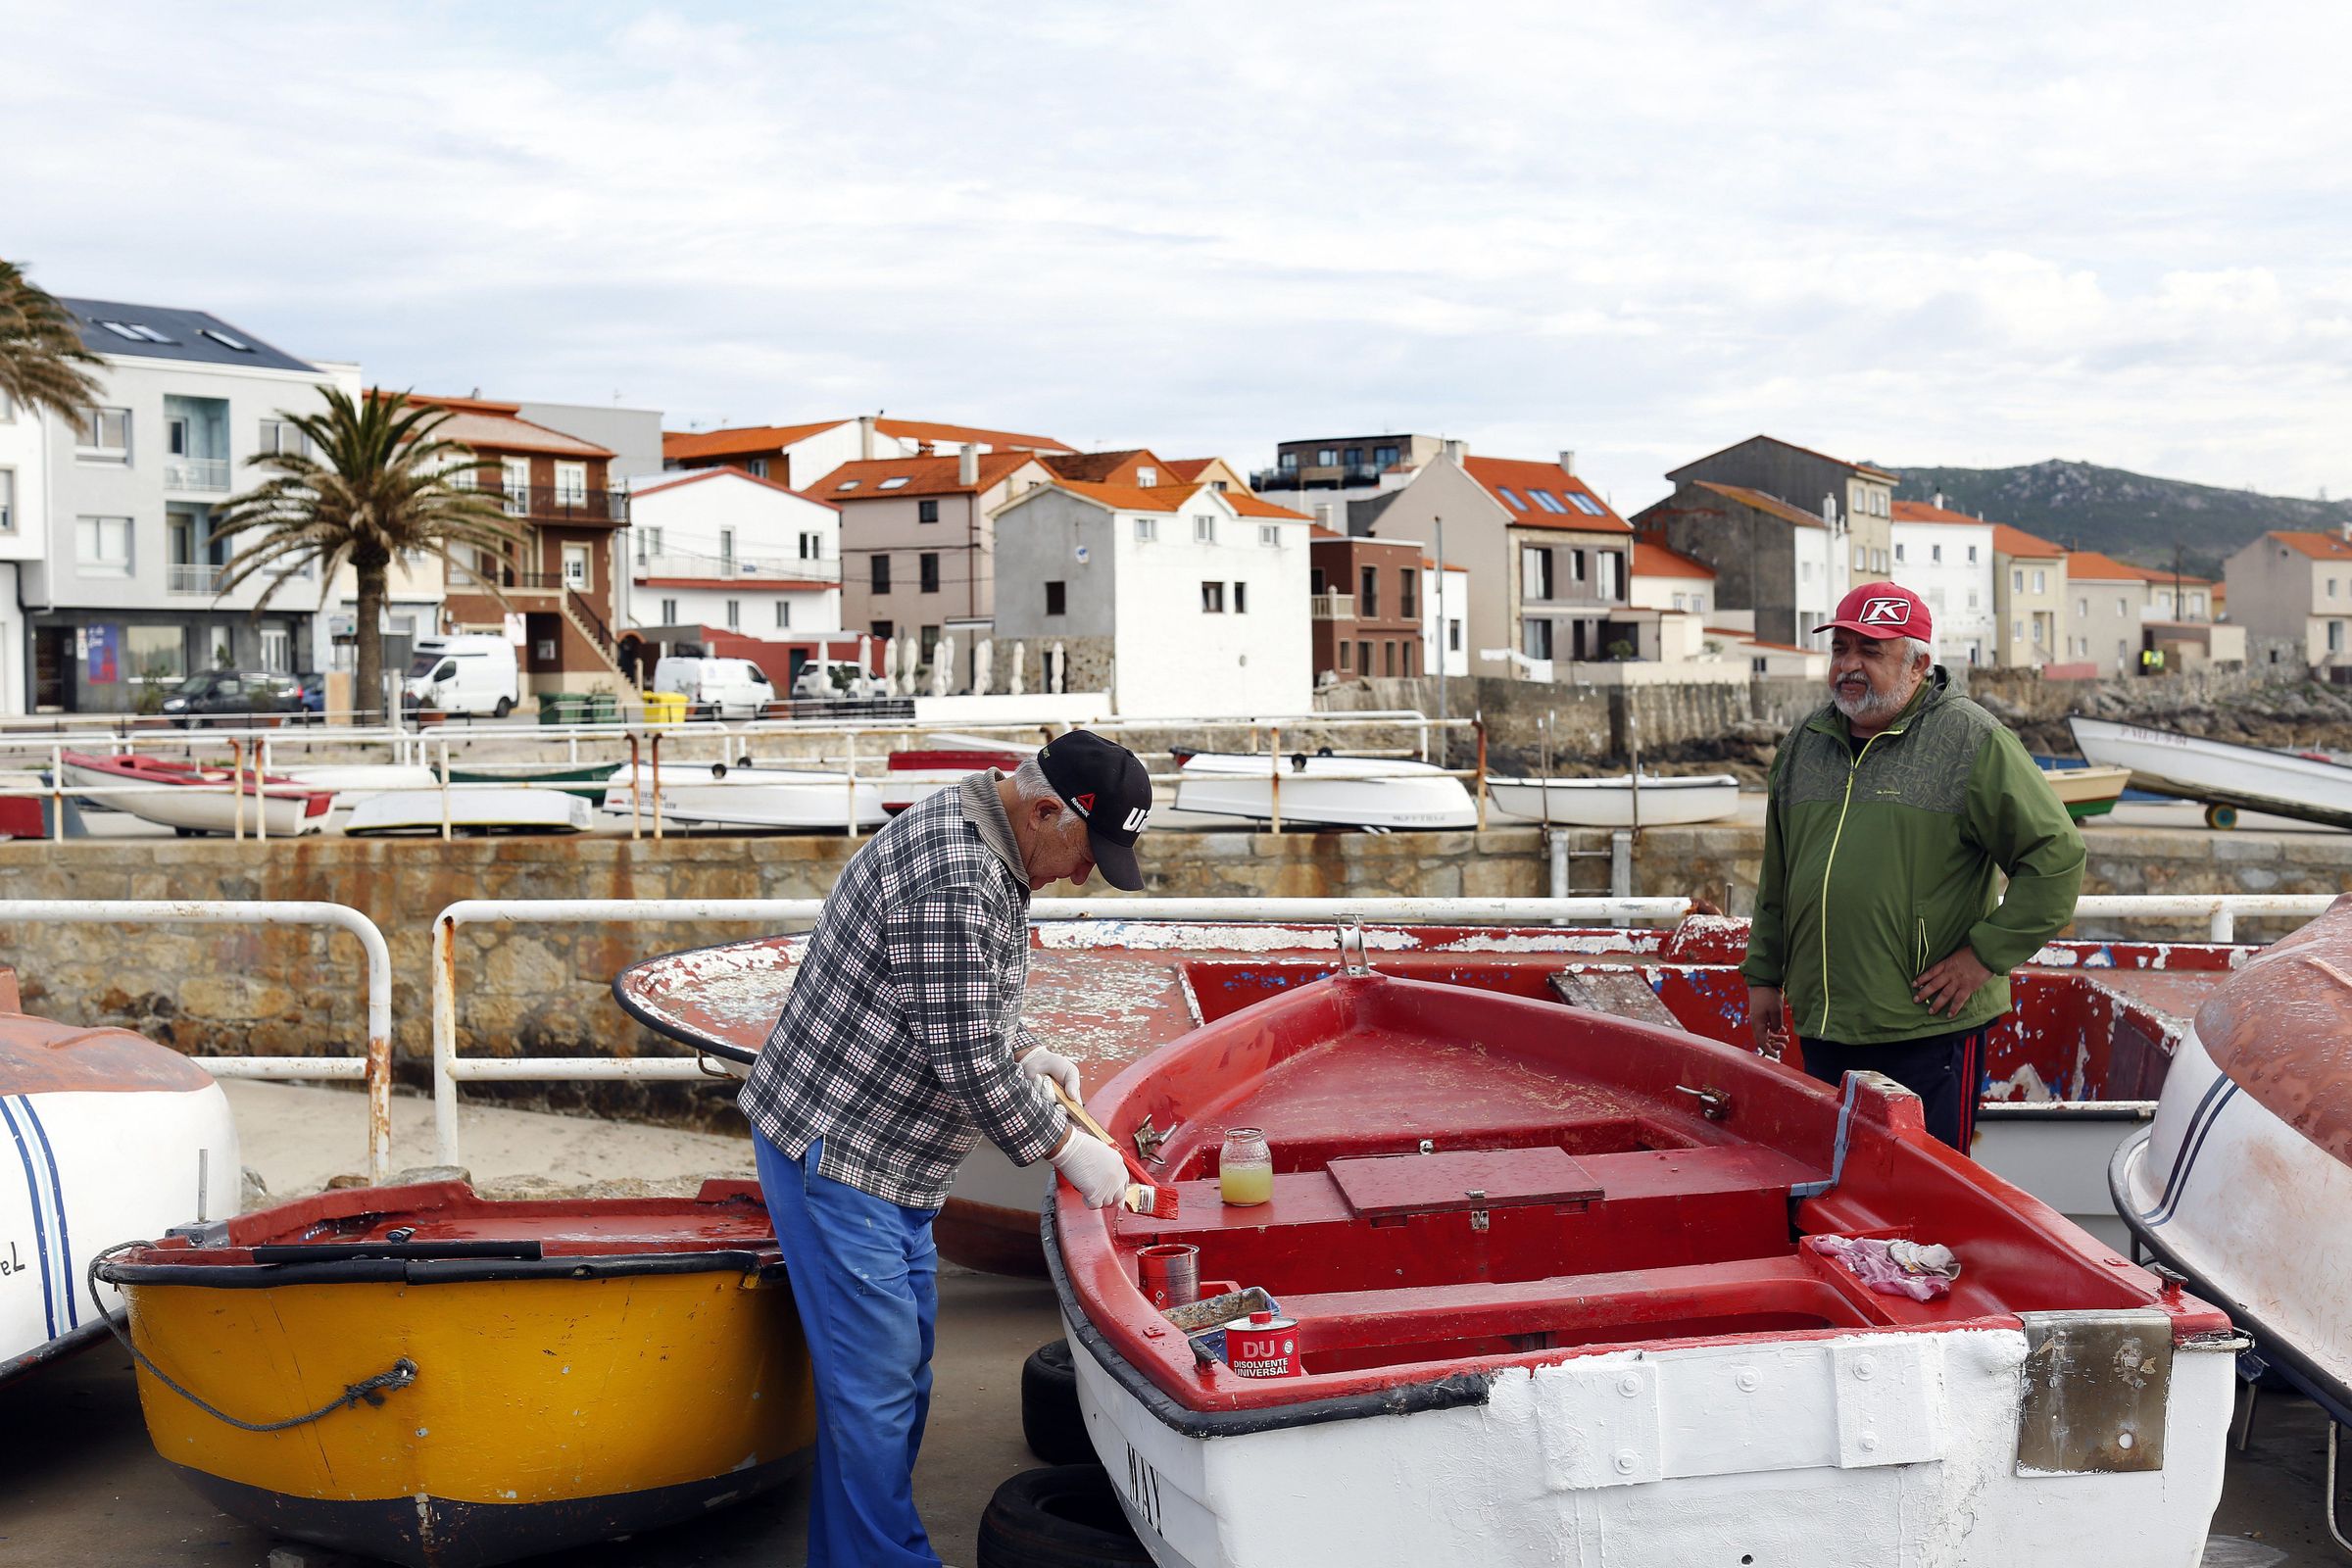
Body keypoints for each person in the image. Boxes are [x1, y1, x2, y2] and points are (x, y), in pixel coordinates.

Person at [737, 730, 1151, 1568]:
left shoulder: (990, 835)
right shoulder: (957, 871)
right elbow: (963, 1055)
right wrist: (1068, 1146)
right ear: (1043, 809)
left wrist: (1025, 1049)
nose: (1080, 874)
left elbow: (963, 999)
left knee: (898, 1381)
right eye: (1084, 853)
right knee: (877, 1396)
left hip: (888, 1162)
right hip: (841, 1155)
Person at [1741, 583, 2084, 1152]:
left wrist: (1984, 956)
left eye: (1870, 653)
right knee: (1838, 1187)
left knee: (1931, 1199)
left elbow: (2057, 857)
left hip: (1929, 1027)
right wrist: (1763, 975)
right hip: (1826, 1020)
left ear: (1920, 663)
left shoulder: (1972, 740)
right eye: (1841, 650)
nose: (1849, 666)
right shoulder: (1806, 743)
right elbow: (1779, 874)